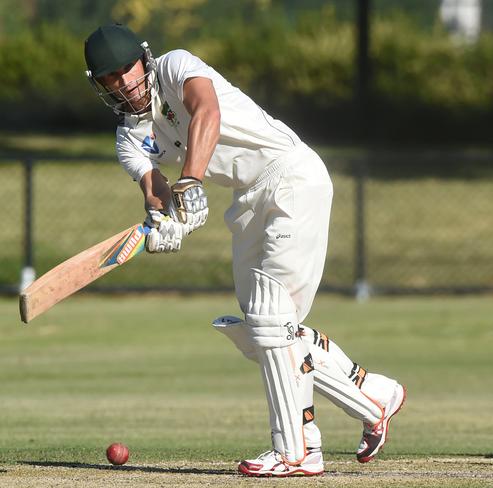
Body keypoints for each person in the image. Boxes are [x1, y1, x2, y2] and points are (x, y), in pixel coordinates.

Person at [83, 24, 405, 477]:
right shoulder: (128, 139)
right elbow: (155, 189)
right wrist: (164, 222)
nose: (123, 82)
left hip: (290, 174)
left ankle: (297, 450)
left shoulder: (176, 66)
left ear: (144, 59)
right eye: (109, 77)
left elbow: (206, 112)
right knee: (262, 330)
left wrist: (191, 179)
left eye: (126, 69)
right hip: (248, 199)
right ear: (98, 85)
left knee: (274, 322)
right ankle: (374, 397)